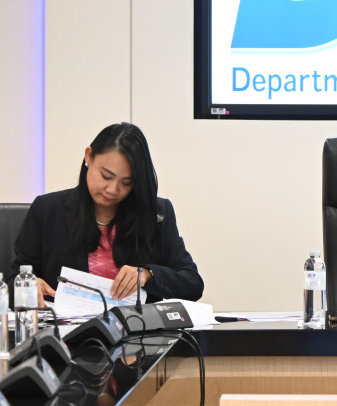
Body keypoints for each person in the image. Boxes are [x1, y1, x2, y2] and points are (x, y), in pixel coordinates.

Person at [13, 122, 203, 305]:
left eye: (126, 182)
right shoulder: (48, 209)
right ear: (88, 156)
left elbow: (193, 284)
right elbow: (14, 277)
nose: (113, 189)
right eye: (106, 176)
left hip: (136, 326)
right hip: (65, 325)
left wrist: (148, 274)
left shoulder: (157, 214)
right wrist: (29, 285)